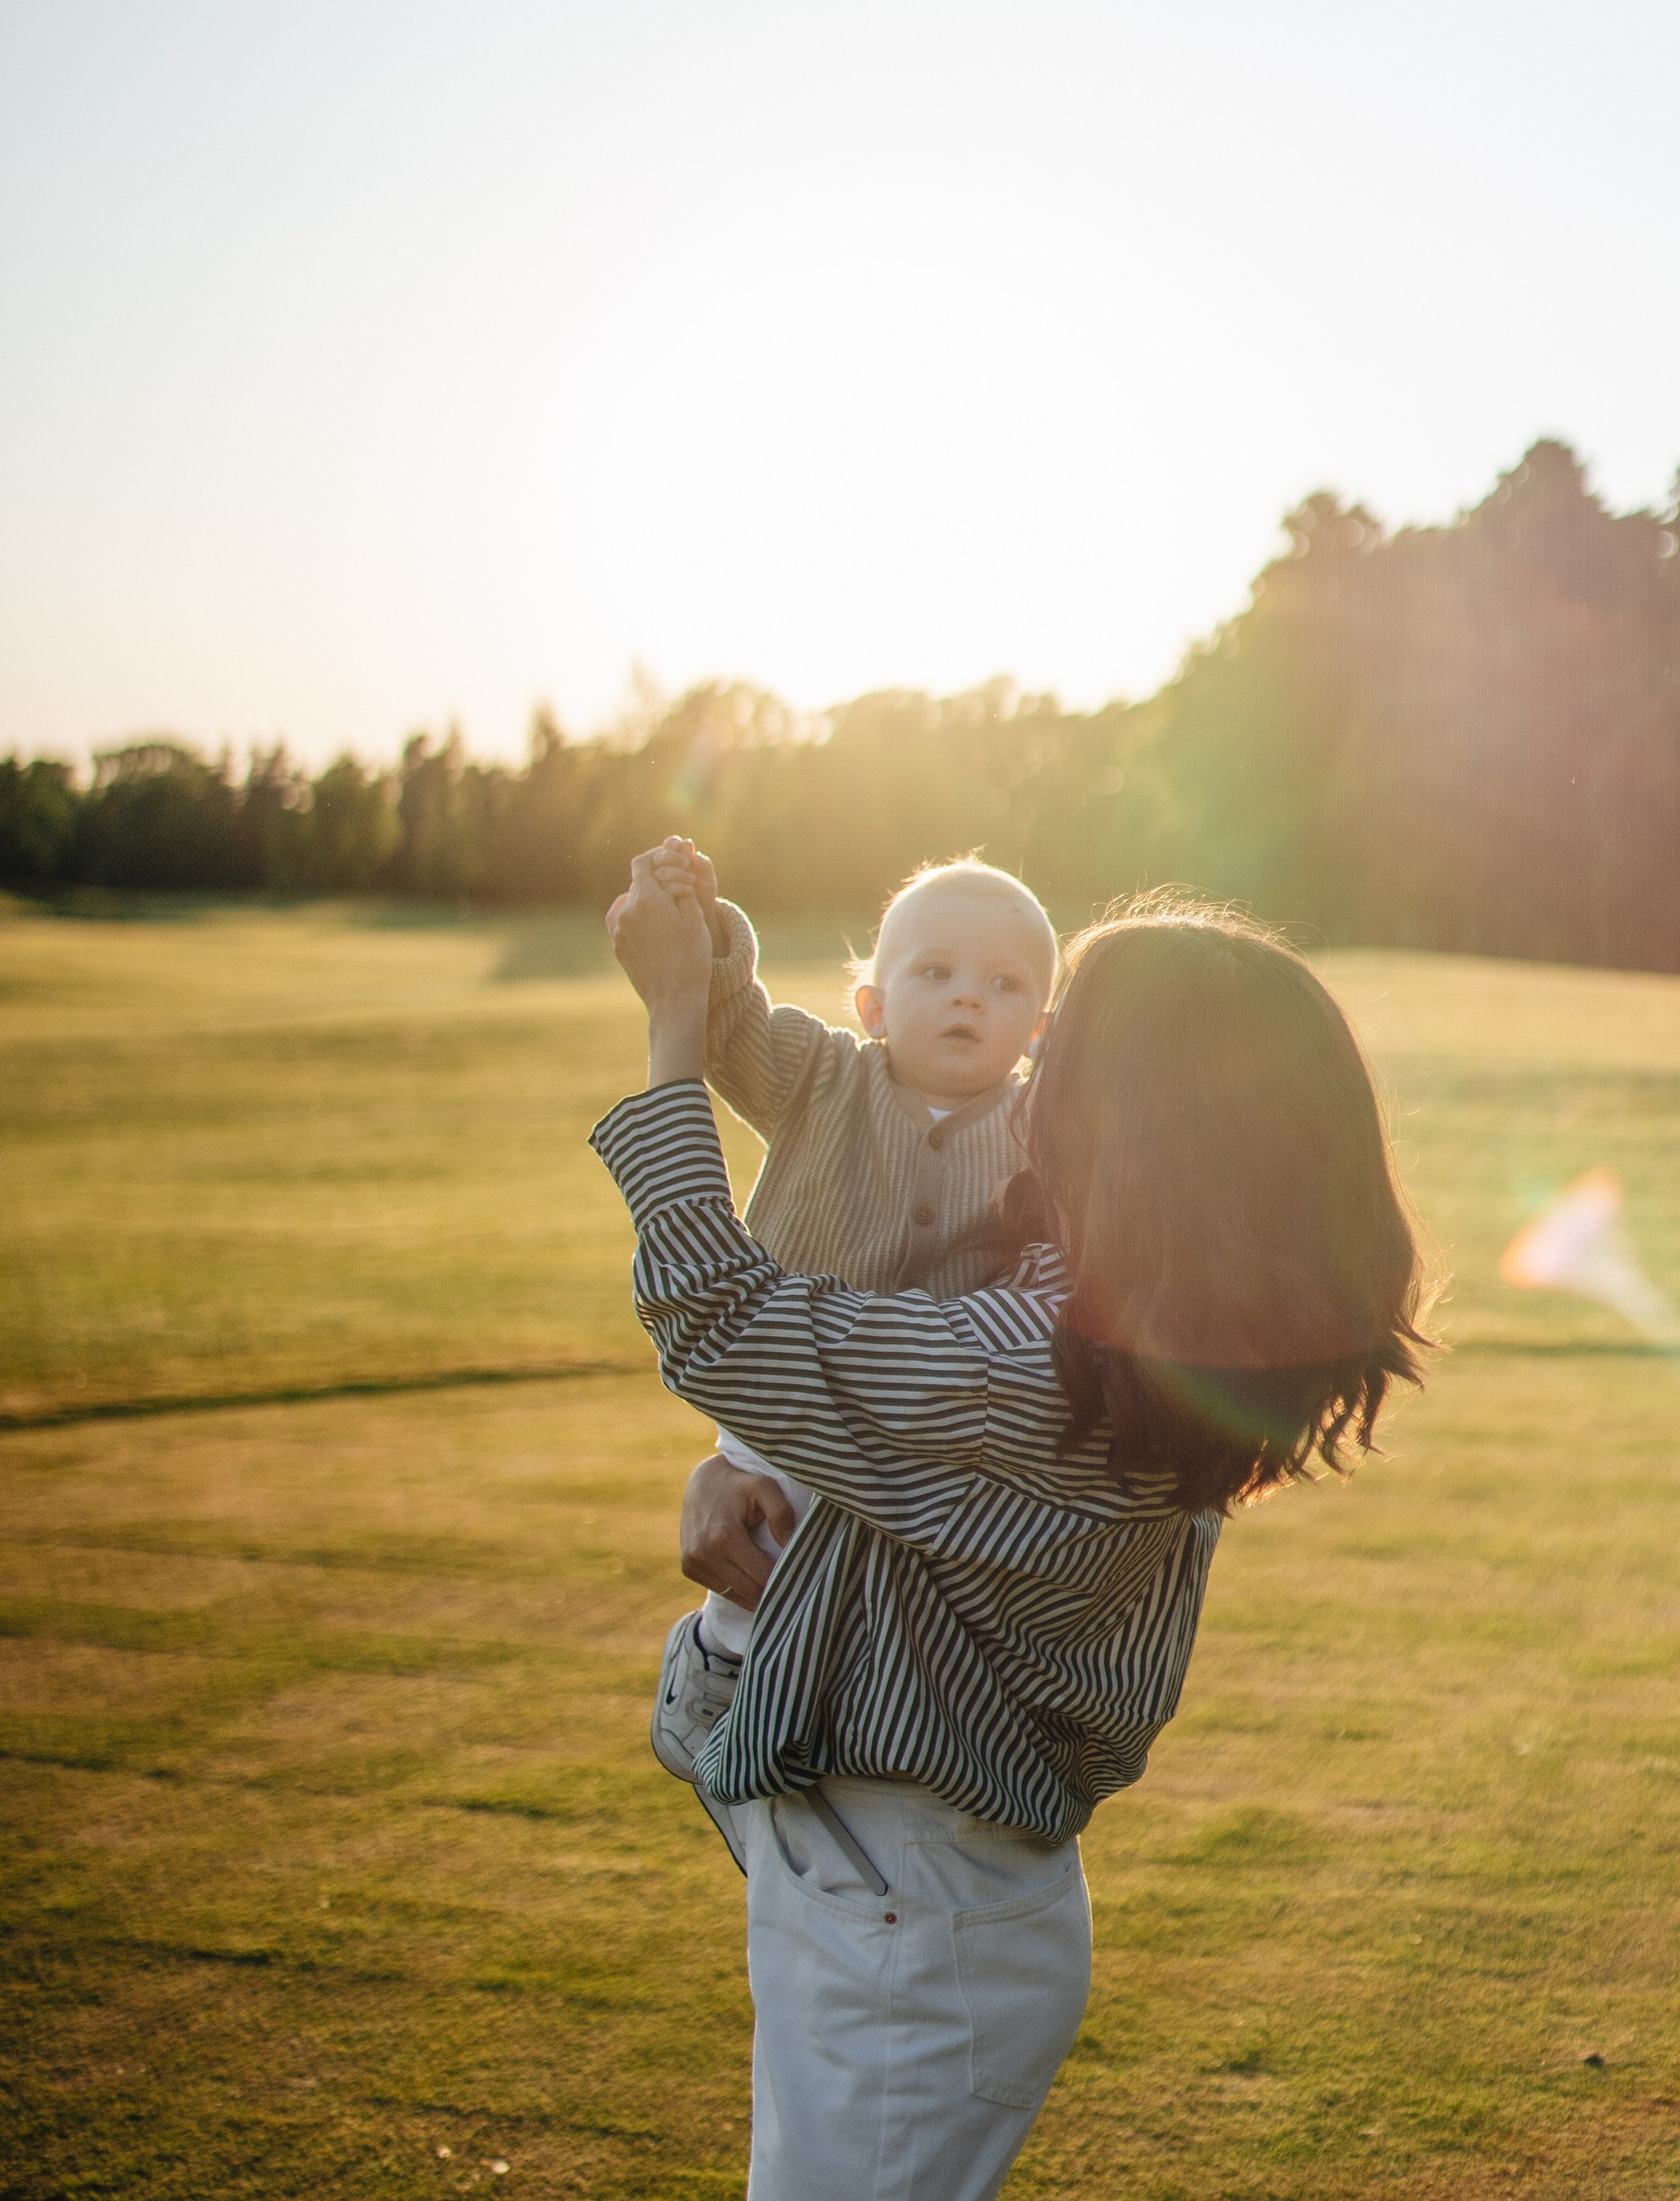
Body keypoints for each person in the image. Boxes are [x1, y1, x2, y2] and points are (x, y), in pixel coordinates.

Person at [595, 853, 1431, 2201]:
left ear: (1131, 1123)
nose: (1035, 1082)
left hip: (911, 1934)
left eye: (1070, 1054)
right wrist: (771, 1464)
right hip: (925, 1899)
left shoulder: (1038, 1360)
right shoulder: (1148, 1331)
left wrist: (673, 1027)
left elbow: (720, 1319)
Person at [640, 838, 1060, 1811]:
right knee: (768, 1538)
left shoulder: (1043, 1128)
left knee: (870, 1584)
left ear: (1038, 1028)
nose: (967, 998)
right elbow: (725, 1026)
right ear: (871, 1005)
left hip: (921, 1421)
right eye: (934, 973)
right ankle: (716, 1674)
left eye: (1002, 984)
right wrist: (707, 927)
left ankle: (841, 1718)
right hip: (786, 1390)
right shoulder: (821, 1076)